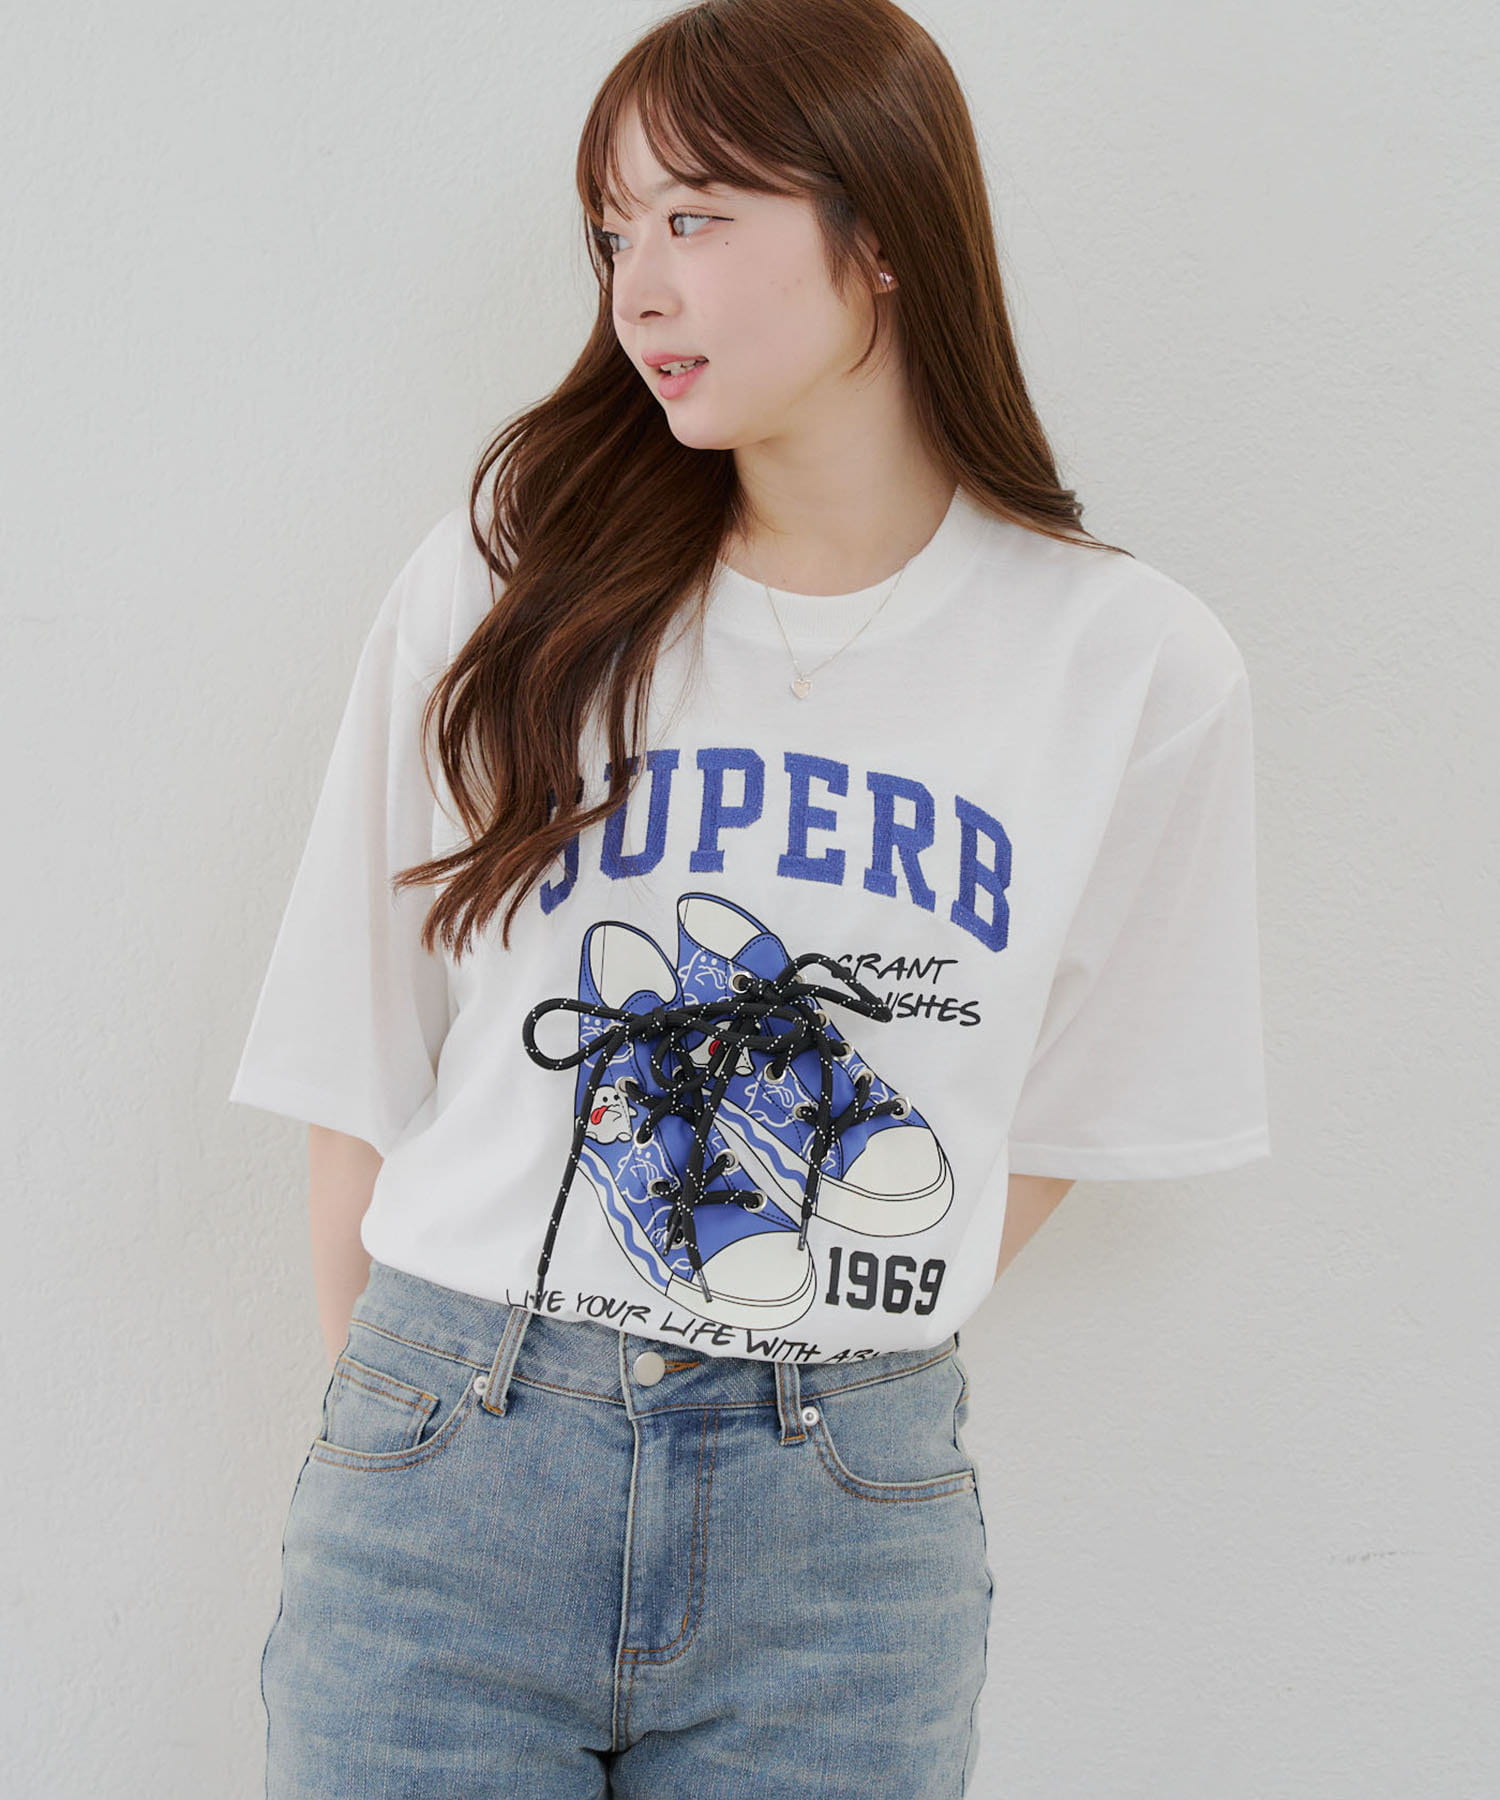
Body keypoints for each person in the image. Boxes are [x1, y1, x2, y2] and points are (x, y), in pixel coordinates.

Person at [228, 0, 1272, 1793]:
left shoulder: (1131, 664)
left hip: (839, 1520)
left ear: (884, 234)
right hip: (456, 1453)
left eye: (696, 217)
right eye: (613, 232)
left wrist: (832, 1332)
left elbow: (1069, 1114)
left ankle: (769, 1094)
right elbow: (359, 1040)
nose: (638, 289)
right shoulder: (512, 577)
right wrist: (399, 1421)